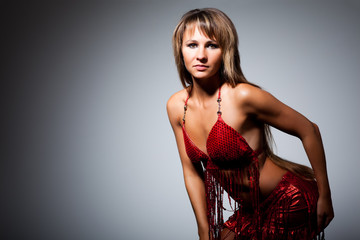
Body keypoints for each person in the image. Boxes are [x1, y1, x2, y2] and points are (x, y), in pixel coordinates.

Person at [167, 8, 334, 240]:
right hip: (251, 210)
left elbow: (309, 130)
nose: (201, 55)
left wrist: (325, 195)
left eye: (212, 45)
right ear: (180, 50)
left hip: (290, 199)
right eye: (192, 45)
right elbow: (191, 172)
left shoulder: (243, 96)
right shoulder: (177, 106)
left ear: (225, 51)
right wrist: (203, 230)